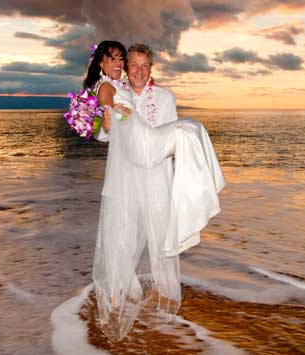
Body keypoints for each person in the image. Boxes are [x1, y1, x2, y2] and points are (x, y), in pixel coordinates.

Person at [84, 40, 226, 340]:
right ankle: (117, 295)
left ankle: (166, 298)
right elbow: (102, 136)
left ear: (151, 69)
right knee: (120, 239)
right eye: (131, 64)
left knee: (162, 242)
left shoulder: (164, 96)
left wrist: (148, 147)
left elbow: (166, 141)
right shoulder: (115, 90)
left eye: (142, 65)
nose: (136, 70)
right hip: (123, 179)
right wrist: (108, 123)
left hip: (156, 179)